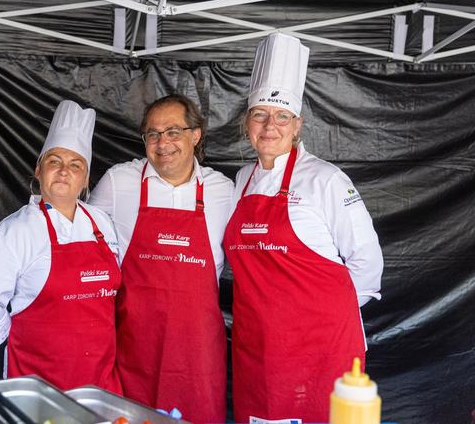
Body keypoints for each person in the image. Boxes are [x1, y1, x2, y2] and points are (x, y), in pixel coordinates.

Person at [223, 33, 384, 423]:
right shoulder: (240, 181)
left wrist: (319, 319)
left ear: (298, 125)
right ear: (247, 123)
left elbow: (368, 263)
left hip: (319, 347)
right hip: (257, 345)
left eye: (282, 117)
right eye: (260, 114)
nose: (270, 125)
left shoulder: (325, 179)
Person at [89, 94, 233, 423]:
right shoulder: (118, 182)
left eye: (172, 132)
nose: (162, 143)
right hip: (135, 345)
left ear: (195, 135)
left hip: (197, 350)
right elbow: (86, 242)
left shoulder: (223, 190)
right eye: (152, 134)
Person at [0, 100, 122, 393]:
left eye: (76, 165)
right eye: (55, 161)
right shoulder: (17, 230)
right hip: (36, 379)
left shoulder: (102, 224)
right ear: (38, 170)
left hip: (99, 377)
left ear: (85, 179)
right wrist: (16, 337)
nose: (64, 171)